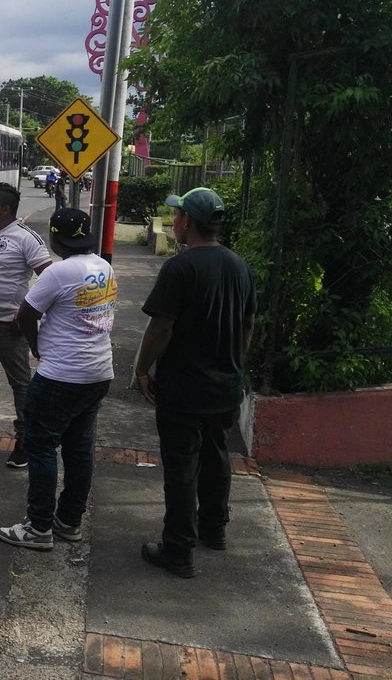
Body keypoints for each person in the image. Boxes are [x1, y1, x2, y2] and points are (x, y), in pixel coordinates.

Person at [134, 187, 256, 578]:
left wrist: (141, 369)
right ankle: (214, 529)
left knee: (181, 466)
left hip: (184, 386)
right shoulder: (239, 265)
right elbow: (248, 323)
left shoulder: (181, 267)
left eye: (178, 216)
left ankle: (178, 549)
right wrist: (234, 362)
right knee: (217, 455)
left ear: (187, 221)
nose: (174, 222)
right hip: (224, 385)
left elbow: (161, 326)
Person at [0, 208, 116, 551]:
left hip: (61, 374)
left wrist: (36, 348)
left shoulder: (60, 272)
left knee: (42, 447)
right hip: (98, 372)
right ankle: (69, 521)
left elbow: (26, 314)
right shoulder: (103, 267)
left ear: (54, 237)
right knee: (79, 449)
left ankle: (38, 526)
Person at [0, 182, 51, 466]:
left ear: (5, 209)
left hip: (10, 325)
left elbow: (49, 278)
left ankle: (25, 439)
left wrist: (30, 311)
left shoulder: (25, 237)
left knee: (20, 383)